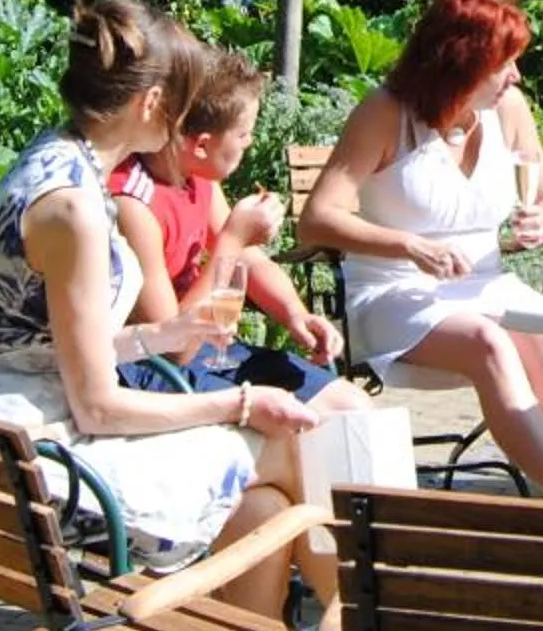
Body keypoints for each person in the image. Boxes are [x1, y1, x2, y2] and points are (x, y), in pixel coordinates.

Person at [0, 0, 353, 631]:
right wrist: (237, 403)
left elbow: (58, 344)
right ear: (150, 107)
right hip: (35, 474)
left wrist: (159, 337)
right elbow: (96, 407)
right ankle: (366, 622)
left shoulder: (60, 165)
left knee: (265, 503)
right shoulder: (73, 204)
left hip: (11, 438)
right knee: (291, 446)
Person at [298, 0, 543, 501]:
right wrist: (408, 245)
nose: (516, 76)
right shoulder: (386, 113)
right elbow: (316, 220)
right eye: (506, 63)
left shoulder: (510, 110)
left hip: (485, 285)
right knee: (489, 342)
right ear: (464, 61)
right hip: (394, 293)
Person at [107, 46, 368, 420]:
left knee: (353, 409)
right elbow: (172, 347)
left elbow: (247, 259)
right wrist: (232, 239)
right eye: (244, 134)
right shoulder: (134, 204)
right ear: (201, 145)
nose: (250, 143)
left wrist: (295, 314)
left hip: (212, 351)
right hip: (154, 374)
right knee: (304, 427)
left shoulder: (196, 178)